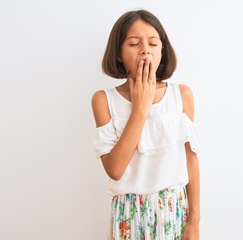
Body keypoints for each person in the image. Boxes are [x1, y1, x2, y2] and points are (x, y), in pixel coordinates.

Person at [91, 9, 201, 240]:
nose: (145, 49)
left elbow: (191, 160)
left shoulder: (181, 95)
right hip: (129, 215)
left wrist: (195, 221)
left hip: (175, 212)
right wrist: (140, 108)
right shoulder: (104, 100)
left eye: (153, 43)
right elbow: (115, 169)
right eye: (133, 43)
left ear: (162, 50)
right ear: (119, 53)